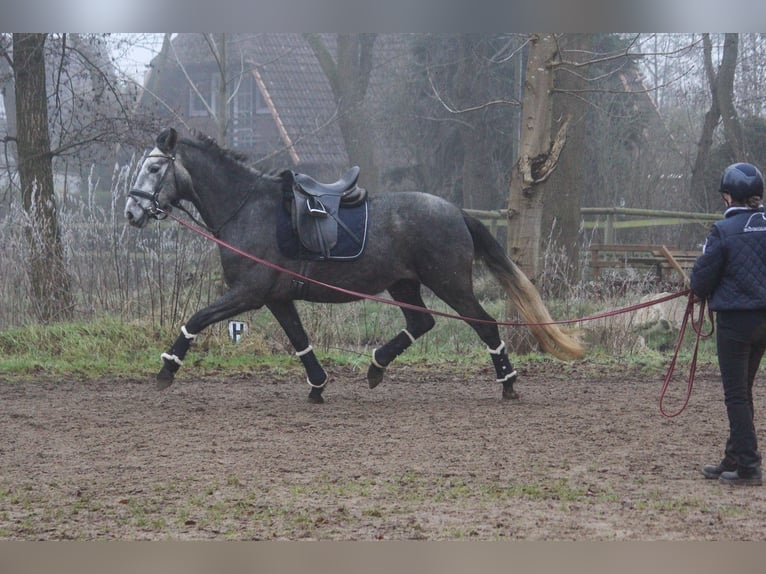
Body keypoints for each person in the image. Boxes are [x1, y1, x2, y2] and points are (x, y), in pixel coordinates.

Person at [690, 162, 766, 486]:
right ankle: (733, 457)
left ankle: (748, 466)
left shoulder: (721, 231)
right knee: (744, 391)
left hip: (736, 322)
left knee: (736, 395)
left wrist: (698, 289)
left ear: (727, 197)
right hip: (764, 320)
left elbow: (701, 280)